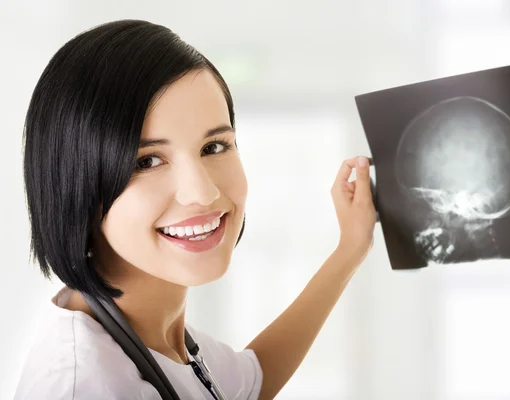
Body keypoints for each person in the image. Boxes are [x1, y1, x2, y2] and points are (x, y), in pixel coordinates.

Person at [14, 19, 376, 400]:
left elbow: (252, 382)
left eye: (214, 147)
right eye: (147, 161)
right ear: (77, 184)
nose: (202, 193)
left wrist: (351, 248)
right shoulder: (83, 387)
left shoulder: (156, 334)